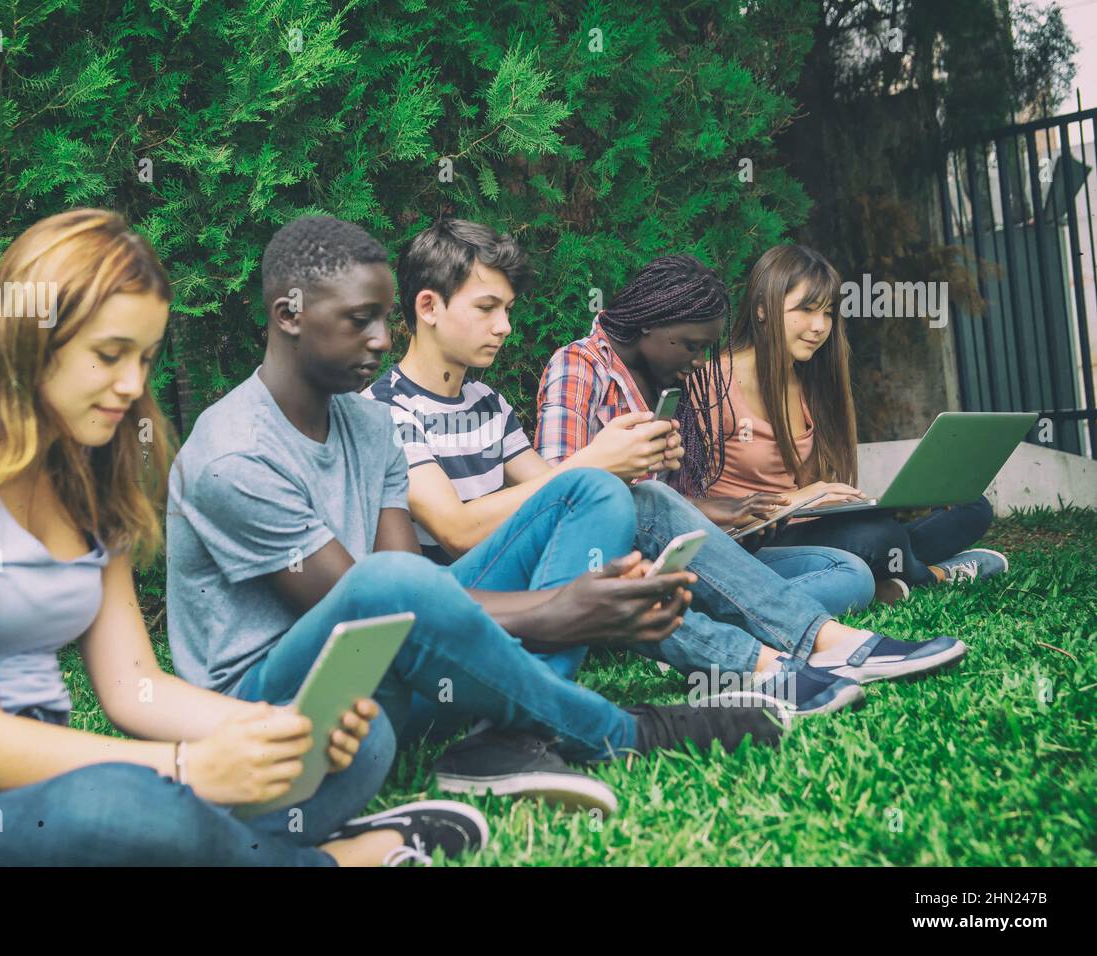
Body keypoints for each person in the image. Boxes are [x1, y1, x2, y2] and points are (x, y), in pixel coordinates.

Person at [0, 209, 480, 868]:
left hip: (44, 789)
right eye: (109, 355)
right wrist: (190, 769)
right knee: (128, 809)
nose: (134, 385)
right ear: (31, 339)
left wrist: (267, 732)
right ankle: (333, 861)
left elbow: (133, 685)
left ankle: (227, 847)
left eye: (144, 358)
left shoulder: (87, 485)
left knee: (349, 745)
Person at [163, 215, 789, 819]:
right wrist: (557, 610)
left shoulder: (368, 423)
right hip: (282, 700)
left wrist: (582, 568)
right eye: (361, 321)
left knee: (592, 491)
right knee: (381, 583)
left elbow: (411, 580)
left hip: (396, 667)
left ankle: (506, 740)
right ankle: (613, 730)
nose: (383, 339)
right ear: (289, 318)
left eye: (384, 318)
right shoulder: (235, 452)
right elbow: (371, 608)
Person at [368, 220, 967, 801]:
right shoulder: (386, 408)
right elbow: (456, 531)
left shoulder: (485, 401)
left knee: (634, 495)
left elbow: (558, 500)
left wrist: (622, 468)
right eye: (486, 308)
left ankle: (786, 652)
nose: (504, 326)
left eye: (507, 309)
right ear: (428, 306)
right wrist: (599, 460)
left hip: (517, 595)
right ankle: (792, 651)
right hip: (453, 605)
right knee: (615, 489)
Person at [535, 253, 875, 616]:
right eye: (691, 346)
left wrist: (723, 512)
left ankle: (702, 616)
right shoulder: (578, 367)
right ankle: (704, 617)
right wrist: (622, 465)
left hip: (679, 559)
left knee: (851, 572)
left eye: (705, 349)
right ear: (651, 324)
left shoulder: (664, 381)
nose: (700, 363)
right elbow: (557, 497)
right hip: (608, 566)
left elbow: (667, 509)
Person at [709, 244, 1005, 604]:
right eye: (805, 310)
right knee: (877, 538)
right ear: (761, 309)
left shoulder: (808, 381)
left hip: (812, 527)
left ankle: (893, 570)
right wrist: (800, 498)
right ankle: (934, 576)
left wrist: (846, 501)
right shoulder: (714, 384)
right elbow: (689, 504)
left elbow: (811, 491)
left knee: (971, 507)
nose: (819, 327)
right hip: (754, 541)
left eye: (828, 313)